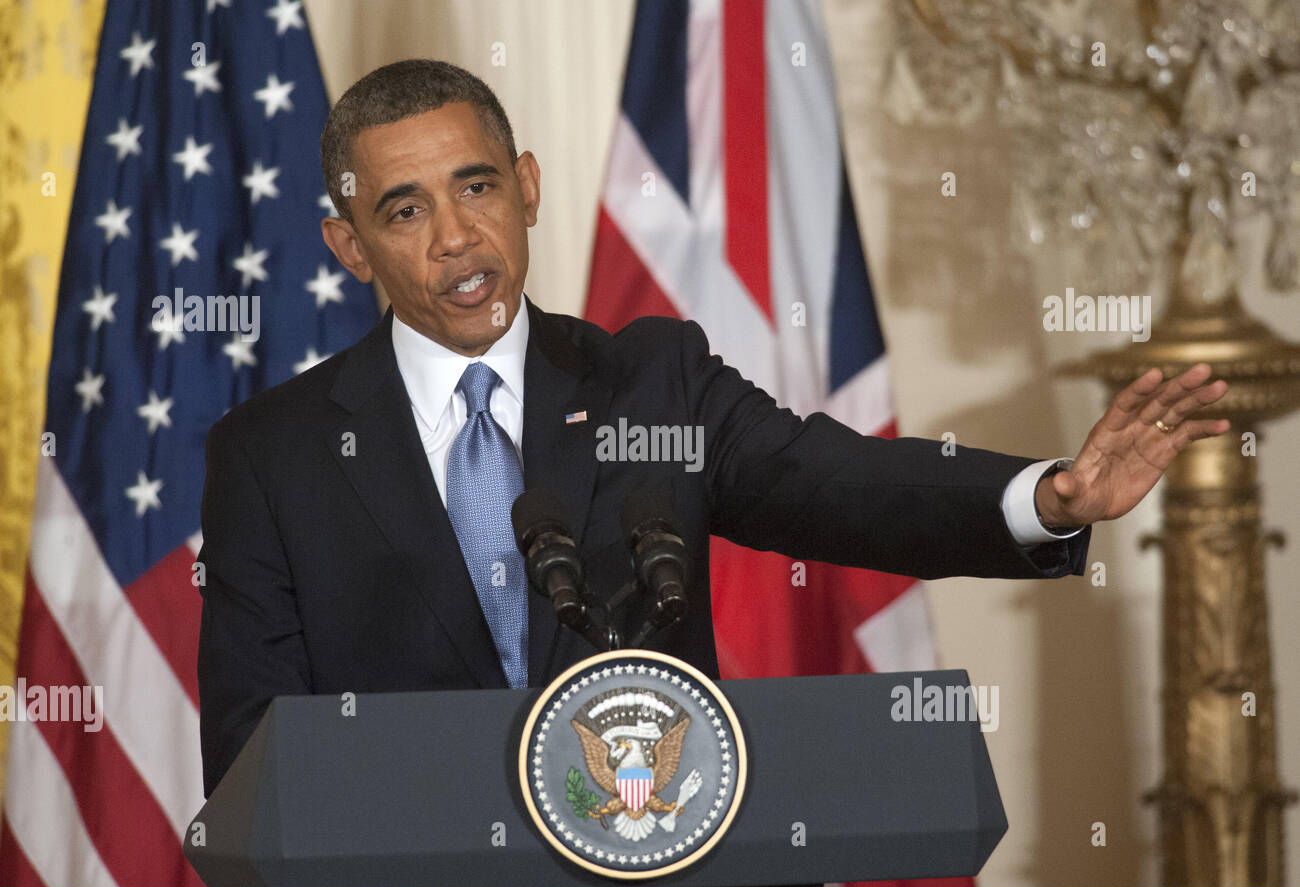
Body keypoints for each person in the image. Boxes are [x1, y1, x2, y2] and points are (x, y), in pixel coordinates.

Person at [196, 60, 1229, 798]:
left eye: (477, 186)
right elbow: (255, 755)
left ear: (528, 187)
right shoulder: (273, 454)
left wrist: (1043, 498)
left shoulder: (652, 382)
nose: (458, 236)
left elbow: (835, 482)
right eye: (405, 210)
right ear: (350, 246)